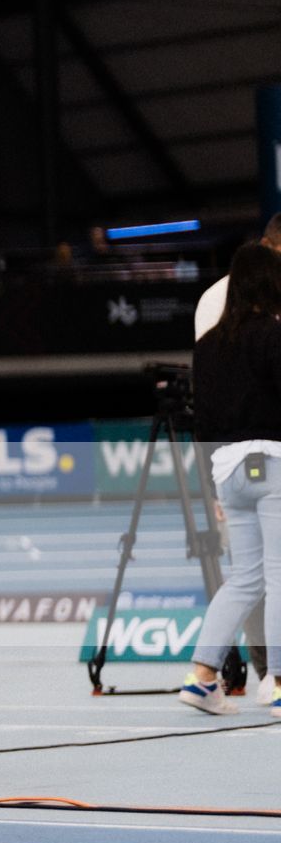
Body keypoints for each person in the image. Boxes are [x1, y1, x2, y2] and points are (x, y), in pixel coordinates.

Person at [184, 242, 281, 716]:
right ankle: (280, 682)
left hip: (226, 471)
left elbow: (200, 422)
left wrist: (212, 483)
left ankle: (202, 676)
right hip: (270, 462)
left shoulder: (207, 347)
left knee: (244, 577)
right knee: (279, 573)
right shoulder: (272, 335)